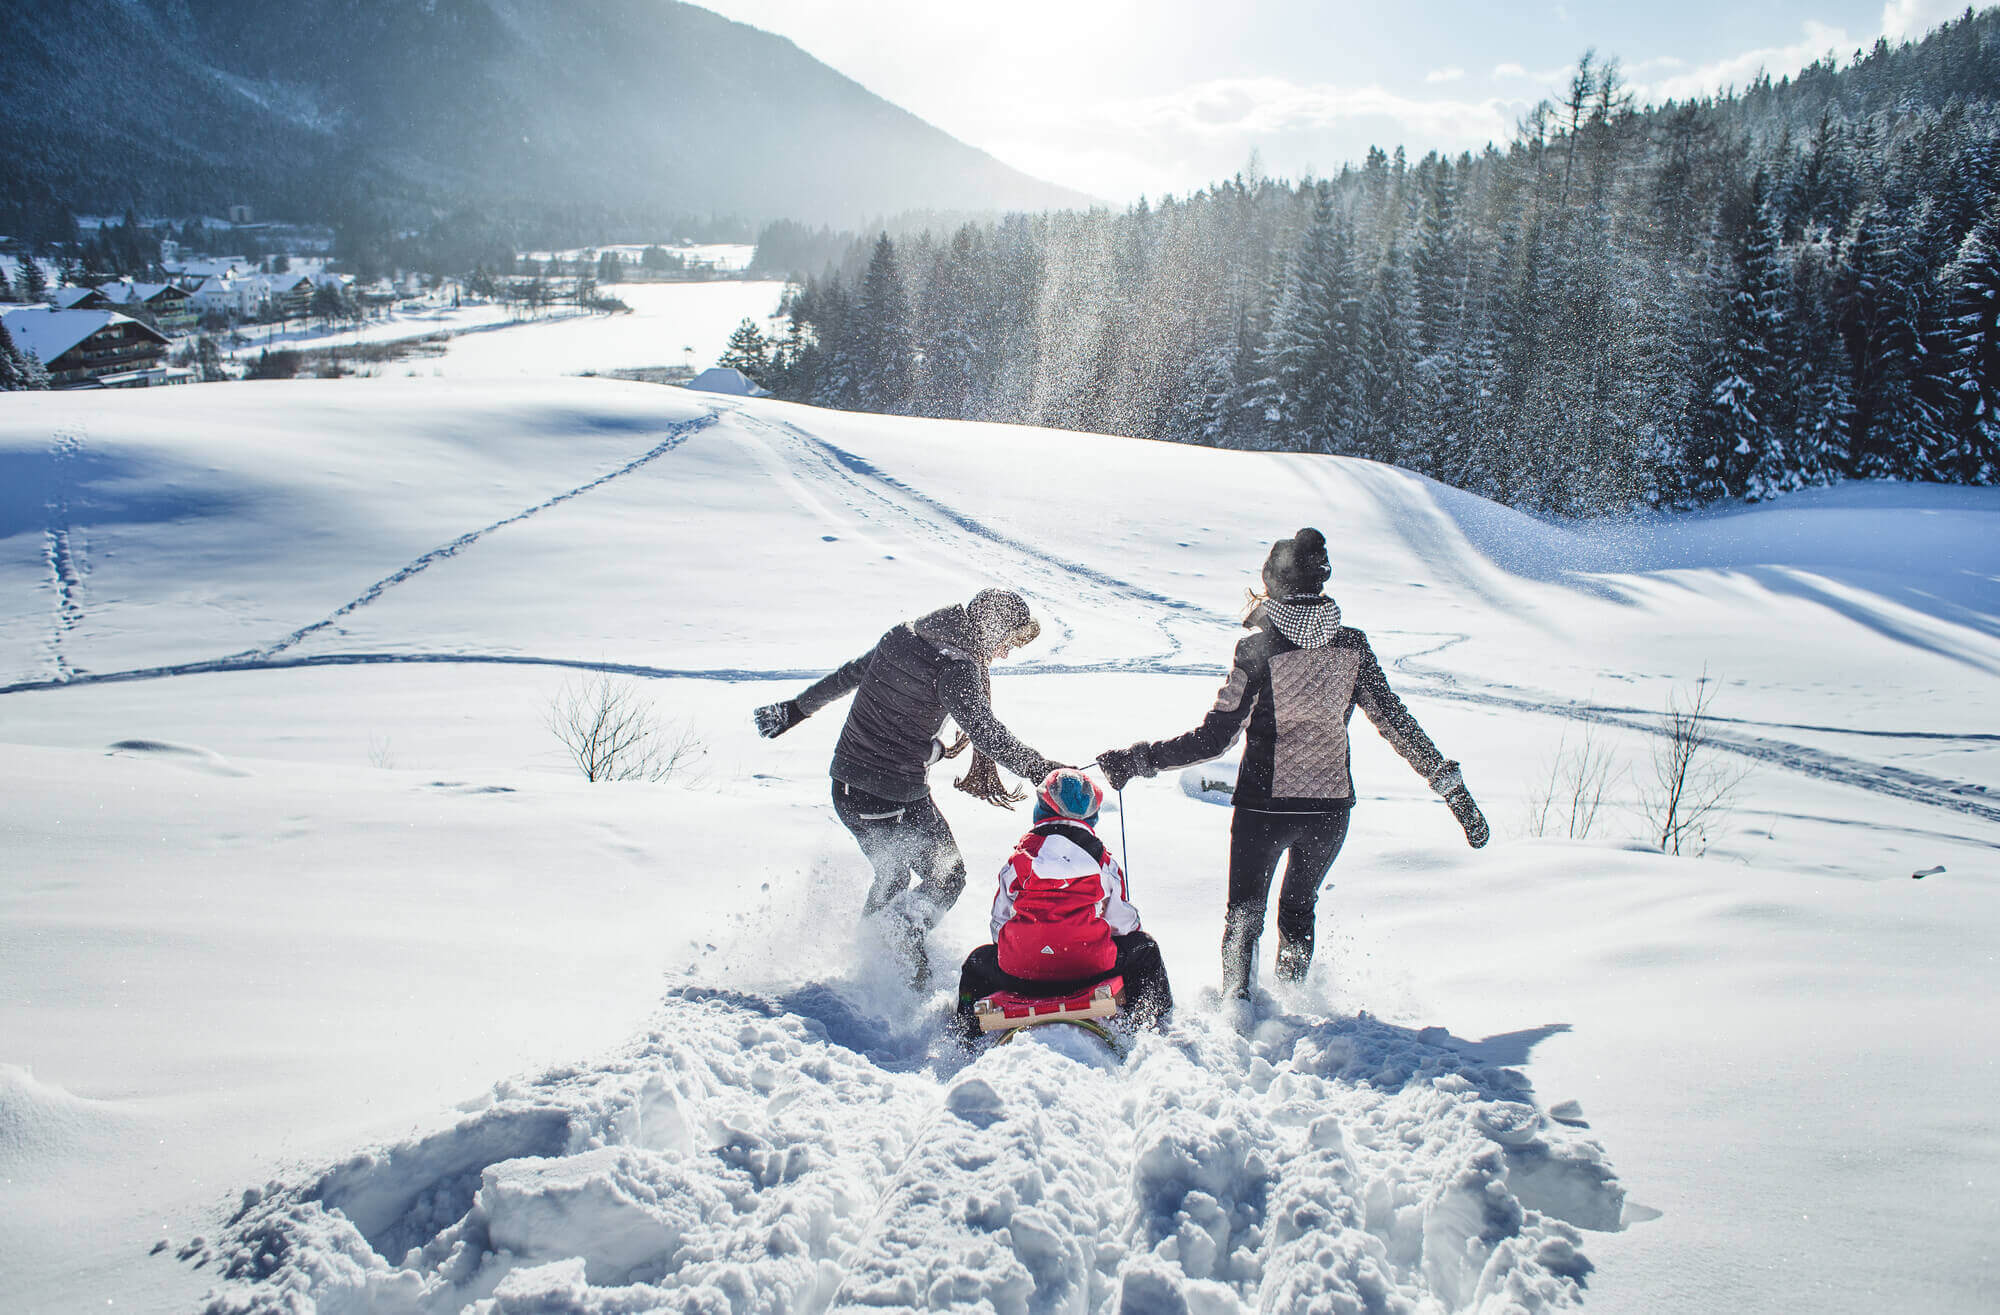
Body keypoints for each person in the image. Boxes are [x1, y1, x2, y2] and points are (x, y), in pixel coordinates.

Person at [1096, 528, 1488, 1002]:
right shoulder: (1353, 647)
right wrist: (1451, 788)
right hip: (1330, 812)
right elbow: (1398, 725)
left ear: (1274, 583)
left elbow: (1214, 738)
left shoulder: (1258, 650)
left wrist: (1139, 759)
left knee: (1244, 914)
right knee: (1299, 911)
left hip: (1264, 809)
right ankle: (1292, 1006)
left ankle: (1235, 1014)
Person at [754, 588, 1062, 982]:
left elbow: (851, 676)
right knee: (945, 877)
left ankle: (870, 959)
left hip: (850, 787)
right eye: (1005, 643)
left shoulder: (904, 634)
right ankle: (898, 944)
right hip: (888, 793)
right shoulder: (957, 668)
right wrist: (1041, 769)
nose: (1003, 654)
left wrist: (795, 710)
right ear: (990, 630)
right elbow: (985, 732)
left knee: (896, 876)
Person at [955, 768, 1173, 1038]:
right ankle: (1149, 1028)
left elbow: (999, 922)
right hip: (1088, 973)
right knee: (1146, 949)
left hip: (1022, 976)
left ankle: (964, 1037)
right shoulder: (1103, 864)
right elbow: (1123, 925)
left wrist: (1031, 949)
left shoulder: (1018, 861)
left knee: (976, 962)